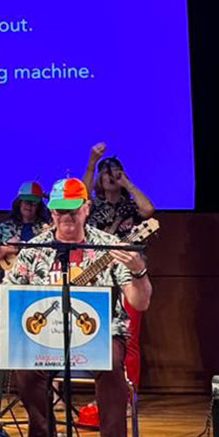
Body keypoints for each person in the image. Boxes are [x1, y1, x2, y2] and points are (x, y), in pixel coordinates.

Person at [4, 177, 151, 437]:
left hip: (98, 334)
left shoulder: (109, 246)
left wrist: (139, 271)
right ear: (51, 213)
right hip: (46, 336)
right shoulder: (34, 249)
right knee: (24, 369)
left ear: (86, 208)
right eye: (59, 212)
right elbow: (11, 291)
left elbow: (139, 302)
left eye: (73, 211)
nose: (66, 218)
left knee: (112, 364)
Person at [84, 143, 157, 388]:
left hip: (126, 274)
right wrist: (93, 162)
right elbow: (80, 196)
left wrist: (127, 183)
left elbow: (148, 210)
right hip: (95, 273)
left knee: (129, 337)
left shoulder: (130, 206)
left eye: (114, 171)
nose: (110, 176)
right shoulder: (92, 205)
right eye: (106, 172)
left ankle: (129, 395)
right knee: (96, 334)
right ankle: (103, 392)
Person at [0, 181, 51, 268]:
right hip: (11, 275)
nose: (29, 206)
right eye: (26, 202)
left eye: (33, 203)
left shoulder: (46, 228)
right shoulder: (5, 227)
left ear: (39, 207)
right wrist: (6, 249)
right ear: (19, 203)